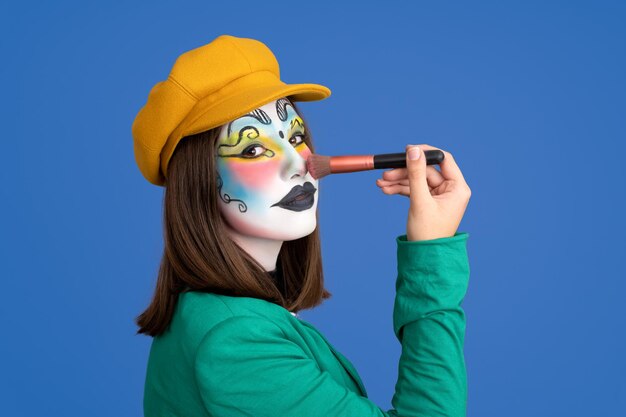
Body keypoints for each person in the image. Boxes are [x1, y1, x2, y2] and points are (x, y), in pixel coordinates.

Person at [132, 34, 472, 417]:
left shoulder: (230, 317)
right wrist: (431, 255)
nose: (299, 163)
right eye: (254, 149)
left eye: (294, 136)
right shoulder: (235, 341)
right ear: (199, 184)